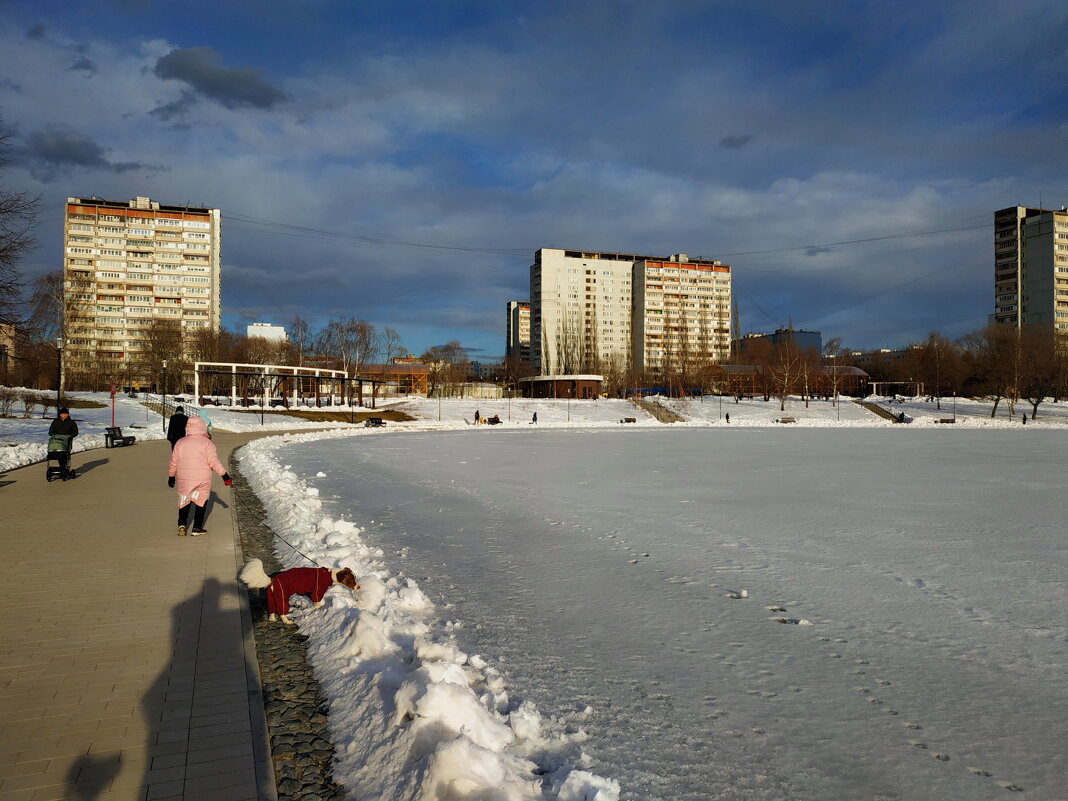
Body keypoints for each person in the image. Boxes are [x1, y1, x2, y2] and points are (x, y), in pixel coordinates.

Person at [167, 416, 231, 536]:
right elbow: (214, 462)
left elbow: (173, 461)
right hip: (202, 478)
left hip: (183, 478)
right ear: (202, 428)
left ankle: (182, 524)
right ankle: (197, 527)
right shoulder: (207, 443)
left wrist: (171, 476)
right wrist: (224, 476)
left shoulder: (180, 442)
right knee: (201, 500)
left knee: (184, 499)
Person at [48, 408, 79, 472]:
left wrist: (70, 436)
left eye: (66, 413)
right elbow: (50, 432)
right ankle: (62, 468)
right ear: (60, 414)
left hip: (67, 442)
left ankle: (65, 467)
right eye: (63, 413)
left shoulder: (71, 422)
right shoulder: (55, 421)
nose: (65, 415)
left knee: (65, 455)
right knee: (59, 455)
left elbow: (76, 432)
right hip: (57, 442)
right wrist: (55, 435)